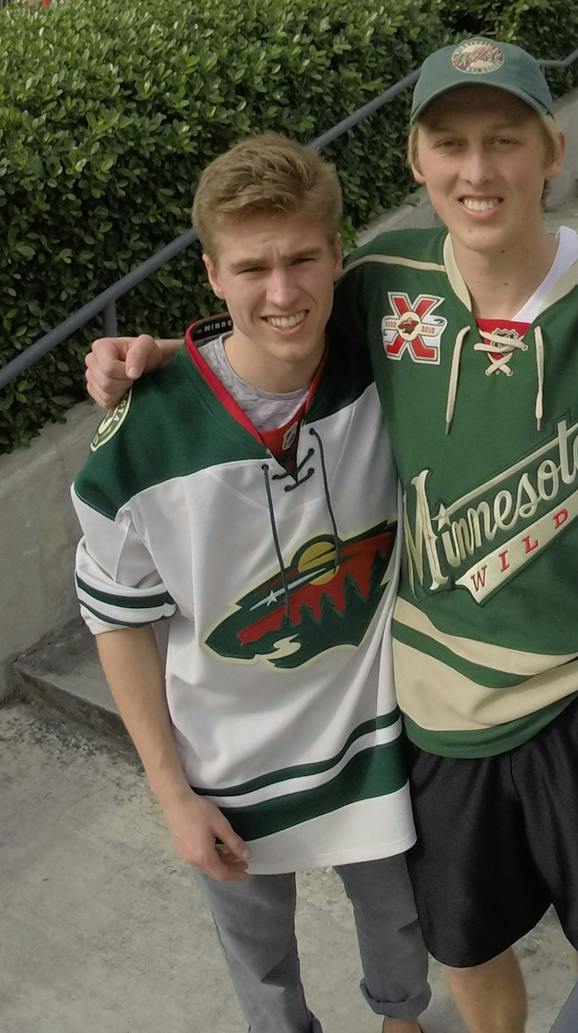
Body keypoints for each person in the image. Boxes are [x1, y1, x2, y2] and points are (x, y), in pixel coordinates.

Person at [83, 38, 578, 1033]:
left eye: (503, 140)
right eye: (450, 142)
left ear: (551, 148)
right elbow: (270, 325)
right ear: (415, 160)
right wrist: (164, 358)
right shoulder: (387, 280)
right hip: (434, 704)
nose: (477, 170)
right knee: (461, 942)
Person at [71, 134, 429, 1033]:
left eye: (304, 258)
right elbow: (117, 620)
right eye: (252, 267)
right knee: (261, 965)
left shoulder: (385, 367)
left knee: (399, 920)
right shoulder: (143, 436)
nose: (282, 291)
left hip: (372, 737)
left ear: (339, 256)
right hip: (226, 759)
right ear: (212, 275)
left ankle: (402, 1019)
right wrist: (171, 795)